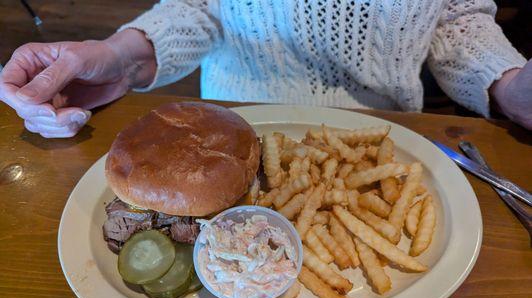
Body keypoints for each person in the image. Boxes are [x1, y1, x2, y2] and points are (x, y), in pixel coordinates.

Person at [0, 0, 530, 138]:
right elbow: (200, 6)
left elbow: (456, 17)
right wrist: (122, 54)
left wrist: (509, 85)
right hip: (238, 123)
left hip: (389, 133)